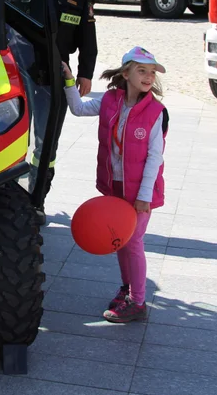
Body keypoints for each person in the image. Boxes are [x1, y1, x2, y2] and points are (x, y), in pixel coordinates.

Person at [62, 46, 169, 323]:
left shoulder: (156, 111)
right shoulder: (111, 100)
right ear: (126, 73)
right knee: (122, 241)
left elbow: (155, 157)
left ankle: (138, 301)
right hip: (115, 188)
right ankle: (128, 290)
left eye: (152, 72)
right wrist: (68, 81)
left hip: (140, 192)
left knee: (133, 242)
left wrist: (144, 196)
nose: (148, 77)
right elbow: (77, 108)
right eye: (142, 71)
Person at [6, 0, 98, 222]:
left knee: (47, 140)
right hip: (16, 71)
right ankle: (7, 199)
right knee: (12, 134)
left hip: (53, 72)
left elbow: (87, 30)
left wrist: (85, 72)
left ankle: (37, 198)